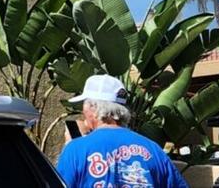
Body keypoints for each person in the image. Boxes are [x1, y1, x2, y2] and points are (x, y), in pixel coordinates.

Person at [56, 74, 189, 188]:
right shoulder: (153, 149)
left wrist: (70, 144)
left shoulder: (76, 149)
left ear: (93, 108)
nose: (82, 111)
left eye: (83, 105)